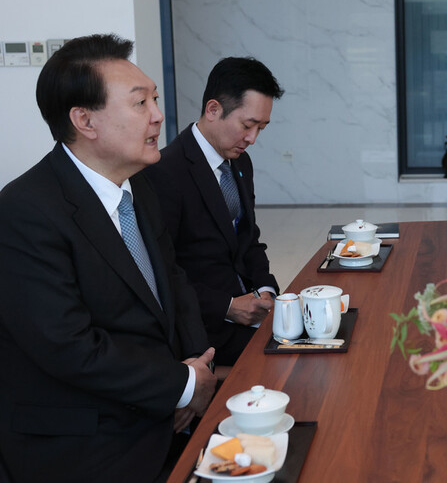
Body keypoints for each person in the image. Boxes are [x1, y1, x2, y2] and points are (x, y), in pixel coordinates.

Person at [0, 34, 217, 482]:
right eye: (141, 103)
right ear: (84, 120)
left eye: (155, 98)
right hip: (85, 440)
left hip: (162, 410)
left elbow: (173, 283)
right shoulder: (24, 211)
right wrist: (181, 385)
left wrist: (199, 368)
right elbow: (69, 347)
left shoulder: (140, 186)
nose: (159, 115)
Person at [144, 57, 284, 365]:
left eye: (261, 128)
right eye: (247, 125)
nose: (252, 139)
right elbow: (162, 272)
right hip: (206, 326)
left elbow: (249, 239)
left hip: (250, 312)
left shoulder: (240, 162)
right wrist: (228, 306)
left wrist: (266, 290)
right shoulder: (166, 171)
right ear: (213, 110)